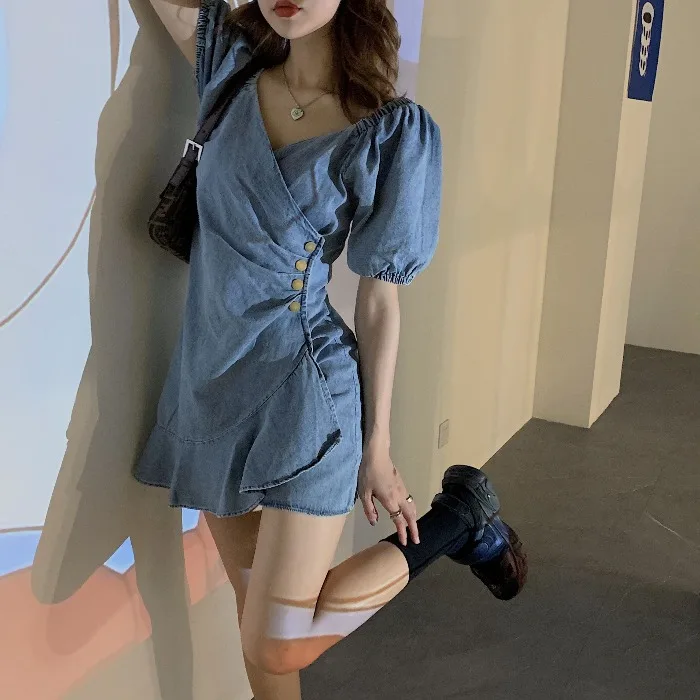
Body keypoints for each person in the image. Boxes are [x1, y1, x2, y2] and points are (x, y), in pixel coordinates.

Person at [135, 1, 527, 697]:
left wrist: (378, 450)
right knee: (257, 628)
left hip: (304, 394)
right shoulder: (228, 66)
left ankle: (457, 519)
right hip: (210, 382)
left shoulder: (386, 129)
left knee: (276, 641)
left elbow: (379, 301)